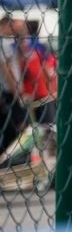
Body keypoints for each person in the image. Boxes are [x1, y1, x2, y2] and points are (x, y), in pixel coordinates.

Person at [0, 14, 27, 155]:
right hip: (10, 92)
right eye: (10, 26)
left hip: (10, 91)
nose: (12, 29)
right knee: (15, 128)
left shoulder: (8, 42)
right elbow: (6, 68)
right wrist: (16, 90)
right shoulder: (3, 43)